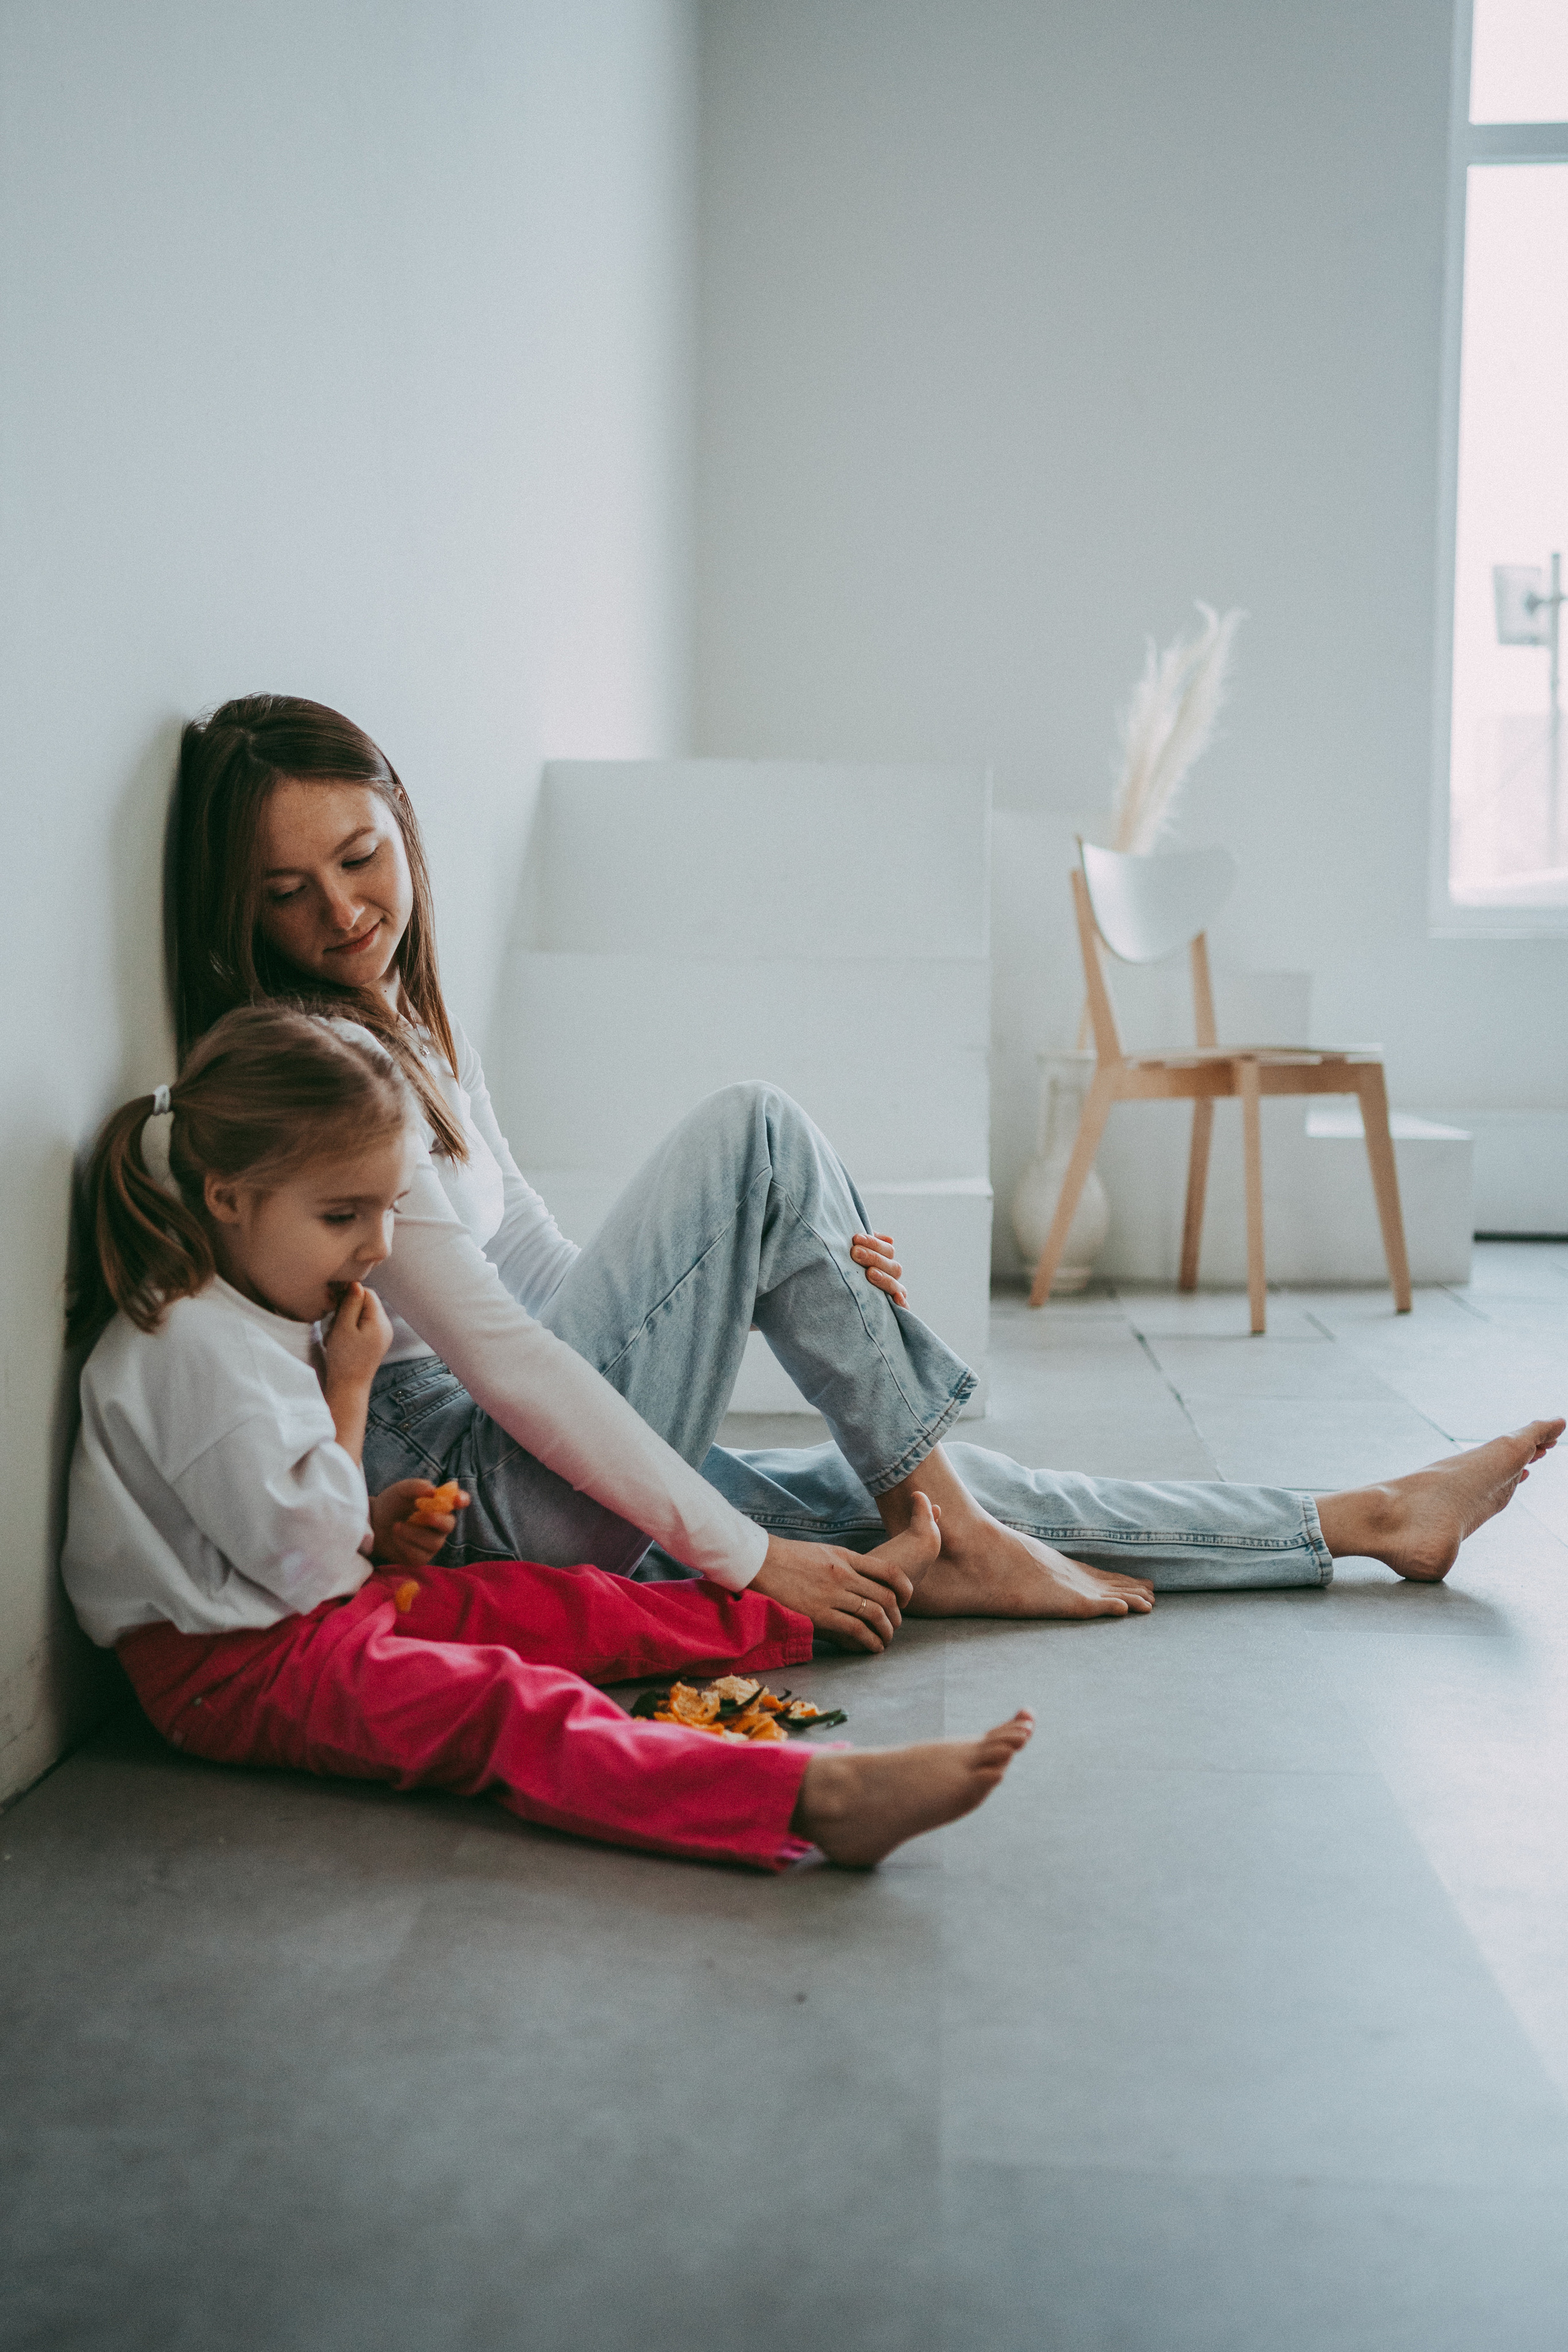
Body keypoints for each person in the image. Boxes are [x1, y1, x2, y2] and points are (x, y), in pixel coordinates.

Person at [165, 695, 1562, 1638]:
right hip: (473, 1485)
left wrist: (789, 1262)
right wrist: (747, 1554)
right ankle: (936, 1507)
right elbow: (512, 1368)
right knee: (757, 1133)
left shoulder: (406, 1032)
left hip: (523, 1449)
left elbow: (534, 1265)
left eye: (358, 857)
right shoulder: (314, 1086)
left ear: (402, 821)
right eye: (284, 894)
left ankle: (1363, 1520)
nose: (340, 911)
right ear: (236, 909)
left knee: (955, 1484)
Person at [61, 1005, 1032, 1871]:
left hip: (303, 1604)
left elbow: (276, 1511)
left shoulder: (245, 1304)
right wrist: (350, 1393)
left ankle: (805, 1614)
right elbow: (305, 1567)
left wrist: (377, 1521)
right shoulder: (192, 1346)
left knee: (566, 1608)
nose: (378, 1250)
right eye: (342, 1216)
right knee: (505, 1706)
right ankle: (813, 1800)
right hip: (236, 1669)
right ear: (228, 1197)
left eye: (389, 1211)